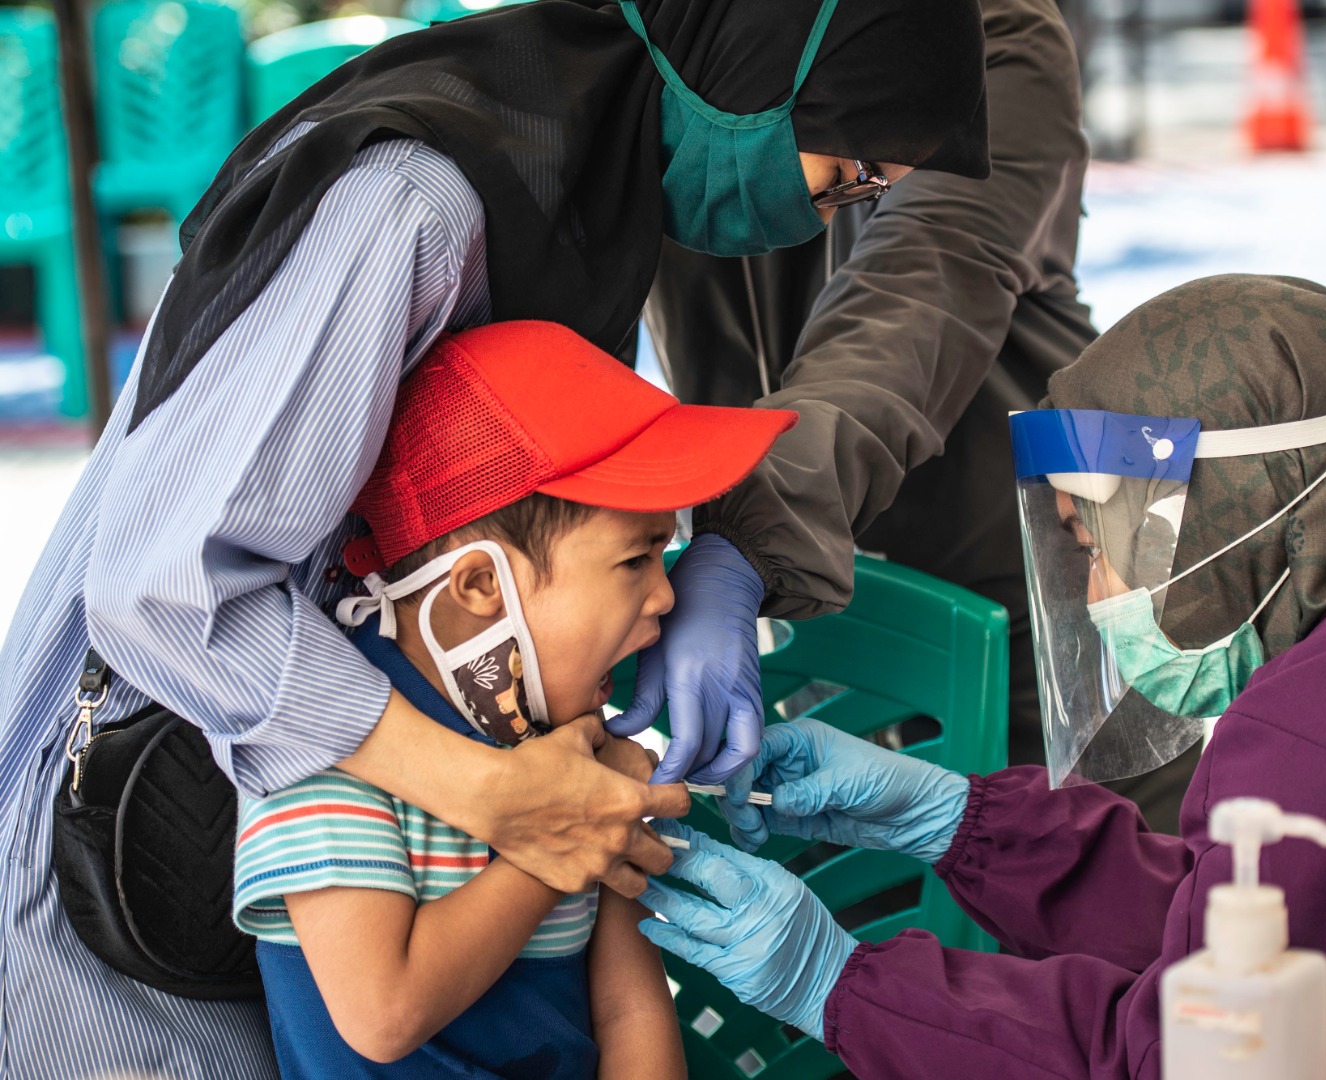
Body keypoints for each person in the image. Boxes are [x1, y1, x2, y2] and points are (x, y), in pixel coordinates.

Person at [0, 1, 991, 1073]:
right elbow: (166, 593)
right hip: (137, 836)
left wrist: (615, 627)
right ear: (756, 66)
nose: (831, 214)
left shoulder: (572, 203)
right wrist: (501, 803)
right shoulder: (409, 210)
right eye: (846, 170)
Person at [638, 274, 1326, 1079]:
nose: (1096, 589)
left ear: (1210, 511)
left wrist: (837, 980)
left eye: (1090, 539)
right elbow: (1270, 910)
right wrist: (960, 823)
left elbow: (1176, 1064)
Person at [624, 0, 1188, 817]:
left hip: (1042, 562)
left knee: (1115, 878)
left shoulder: (980, 31)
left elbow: (920, 288)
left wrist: (748, 531)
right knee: (863, 887)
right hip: (800, 578)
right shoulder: (665, 34)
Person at [234, 321, 795, 1077]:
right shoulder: (329, 753)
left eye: (664, 554)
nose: (666, 596)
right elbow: (382, 1014)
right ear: (478, 587)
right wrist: (565, 838)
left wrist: (596, 810)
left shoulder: (578, 740)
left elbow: (629, 1007)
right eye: (634, 561)